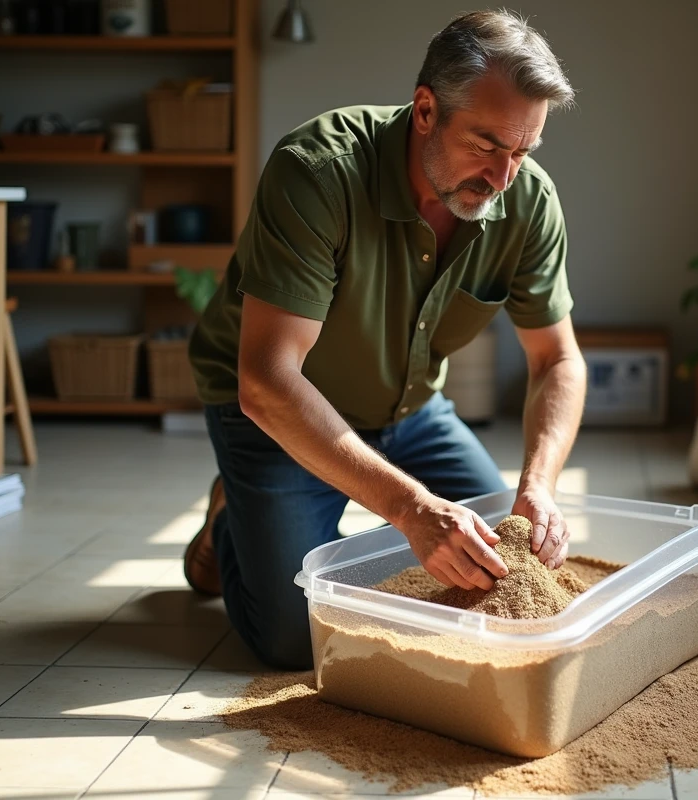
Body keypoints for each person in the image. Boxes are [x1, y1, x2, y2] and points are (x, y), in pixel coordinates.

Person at [183, 9, 587, 669]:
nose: (503, 177)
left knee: (500, 561)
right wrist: (413, 510)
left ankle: (310, 511)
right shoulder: (317, 173)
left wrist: (538, 484)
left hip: (410, 412)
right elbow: (266, 381)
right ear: (425, 110)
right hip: (279, 411)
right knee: (295, 641)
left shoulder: (528, 200)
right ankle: (230, 518)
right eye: (487, 145)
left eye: (523, 152)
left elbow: (557, 360)